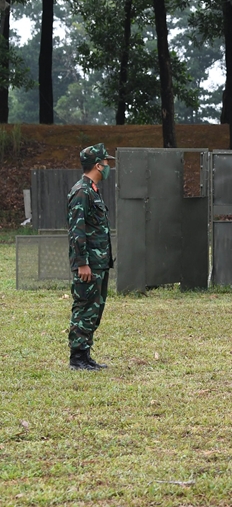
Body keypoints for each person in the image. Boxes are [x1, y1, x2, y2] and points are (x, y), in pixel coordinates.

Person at [67, 143, 115, 371]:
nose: (107, 166)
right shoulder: (81, 192)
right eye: (106, 162)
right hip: (89, 265)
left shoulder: (92, 190)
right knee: (84, 307)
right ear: (97, 165)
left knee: (94, 310)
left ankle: (85, 356)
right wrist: (82, 263)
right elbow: (77, 231)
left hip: (99, 263)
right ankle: (77, 358)